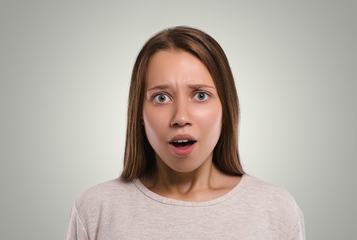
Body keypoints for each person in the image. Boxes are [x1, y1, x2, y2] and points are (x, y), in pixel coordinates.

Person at [65, 26, 305, 240]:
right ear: (139, 112)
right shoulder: (95, 210)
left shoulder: (275, 209)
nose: (180, 117)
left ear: (226, 107)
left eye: (200, 95)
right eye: (161, 97)